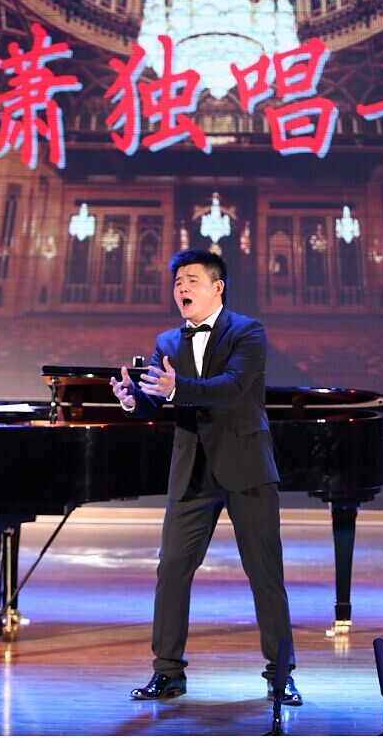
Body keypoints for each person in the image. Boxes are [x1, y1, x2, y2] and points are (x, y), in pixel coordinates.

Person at [111, 249, 301, 705]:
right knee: (172, 569)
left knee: (265, 571)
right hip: (191, 471)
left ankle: (280, 675)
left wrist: (176, 388)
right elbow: (159, 399)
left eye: (191, 280)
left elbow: (232, 388)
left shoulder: (248, 331)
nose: (182, 288)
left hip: (245, 465)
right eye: (177, 282)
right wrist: (135, 401)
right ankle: (167, 672)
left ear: (217, 287)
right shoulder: (166, 341)